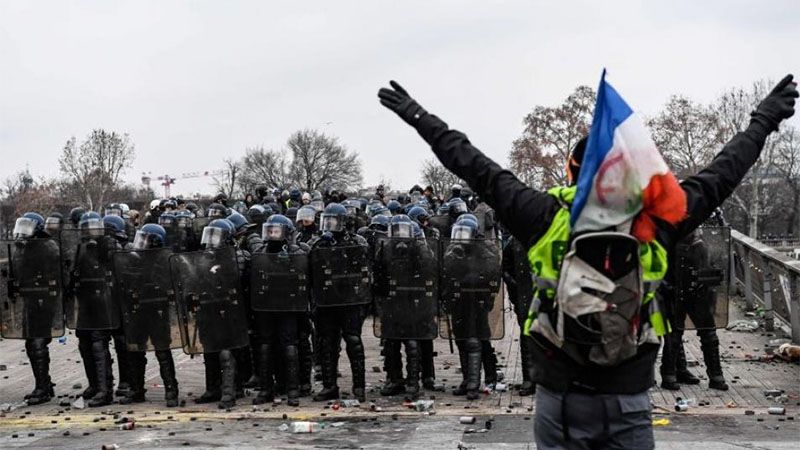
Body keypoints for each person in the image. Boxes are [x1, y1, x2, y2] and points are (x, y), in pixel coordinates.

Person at [377, 76, 797, 447]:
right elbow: (724, 172)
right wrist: (763, 119)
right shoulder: (653, 222)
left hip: (560, 397)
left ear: (570, 173)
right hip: (630, 395)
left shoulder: (542, 216)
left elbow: (474, 165)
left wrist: (418, 116)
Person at [246, 214, 311, 406]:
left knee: (289, 346)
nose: (273, 235)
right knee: (265, 346)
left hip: (288, 307)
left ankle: (292, 390)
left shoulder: (297, 252)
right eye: (270, 230)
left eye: (277, 231)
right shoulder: (260, 252)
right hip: (265, 307)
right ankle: (266, 389)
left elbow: (304, 278)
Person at [309, 203, 370, 402]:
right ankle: (329, 386)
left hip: (350, 300)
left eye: (333, 221)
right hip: (327, 299)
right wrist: (321, 245)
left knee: (353, 341)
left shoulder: (357, 241)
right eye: (326, 221)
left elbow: (363, 264)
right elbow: (310, 266)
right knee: (327, 343)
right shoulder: (318, 243)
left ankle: (359, 387)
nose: (329, 225)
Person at [659, 226, 729, 391]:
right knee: (675, 331)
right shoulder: (671, 233)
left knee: (706, 331)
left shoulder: (699, 240)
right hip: (674, 286)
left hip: (697, 288)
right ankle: (672, 372)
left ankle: (713, 375)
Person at [118, 224, 180, 406]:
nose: (140, 242)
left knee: (162, 350)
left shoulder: (165, 260)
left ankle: (171, 390)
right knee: (135, 350)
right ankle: (137, 390)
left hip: (157, 310)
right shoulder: (134, 259)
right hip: (138, 309)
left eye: (145, 239)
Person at [9, 212, 62, 405]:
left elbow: (54, 274)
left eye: (27, 227)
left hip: (43, 301)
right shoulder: (21, 248)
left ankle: (42, 388)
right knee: (31, 344)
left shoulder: (48, 247)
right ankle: (44, 384)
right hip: (29, 300)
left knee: (38, 343)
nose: (22, 231)